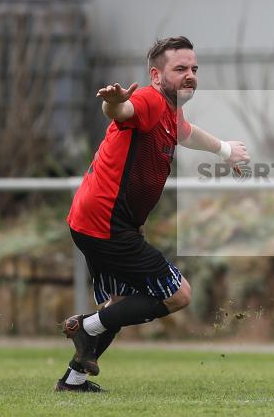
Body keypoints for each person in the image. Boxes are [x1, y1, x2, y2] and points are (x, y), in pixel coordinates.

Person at [55, 36, 249, 392]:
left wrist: (224, 150)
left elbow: (186, 133)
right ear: (156, 76)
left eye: (193, 69)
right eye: (180, 69)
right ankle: (86, 328)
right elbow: (121, 112)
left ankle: (74, 380)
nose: (190, 75)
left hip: (95, 220)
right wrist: (113, 104)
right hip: (106, 223)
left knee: (117, 304)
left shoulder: (171, 111)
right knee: (179, 294)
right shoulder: (147, 99)